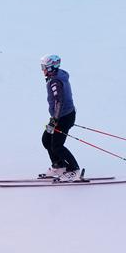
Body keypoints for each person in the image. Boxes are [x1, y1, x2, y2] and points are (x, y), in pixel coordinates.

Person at [40, 54, 82, 182]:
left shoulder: (55, 81)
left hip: (63, 117)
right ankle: (59, 165)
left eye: (44, 67)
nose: (43, 70)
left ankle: (74, 170)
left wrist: (54, 121)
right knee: (46, 140)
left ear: (51, 67)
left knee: (57, 145)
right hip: (60, 116)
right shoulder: (56, 77)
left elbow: (59, 100)